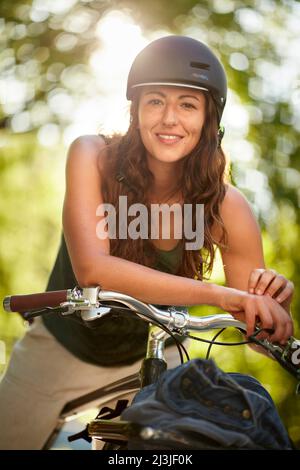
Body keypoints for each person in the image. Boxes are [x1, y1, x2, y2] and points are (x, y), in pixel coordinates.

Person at [0, 35, 294, 450]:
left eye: (188, 104)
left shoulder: (229, 207)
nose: (169, 118)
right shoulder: (93, 156)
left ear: (210, 118)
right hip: (64, 346)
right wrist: (220, 294)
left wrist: (274, 311)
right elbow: (94, 271)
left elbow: (257, 330)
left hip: (159, 353)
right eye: (155, 101)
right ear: (135, 110)